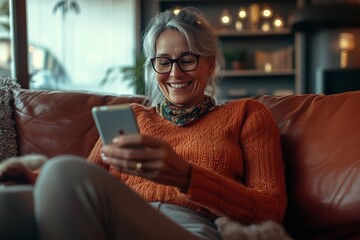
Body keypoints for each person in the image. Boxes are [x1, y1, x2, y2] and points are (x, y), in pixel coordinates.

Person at [0, 7, 287, 240]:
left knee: (61, 171)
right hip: (117, 222)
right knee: (9, 203)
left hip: (190, 227)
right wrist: (28, 176)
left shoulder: (247, 115)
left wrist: (186, 176)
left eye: (187, 59)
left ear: (209, 64)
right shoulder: (135, 117)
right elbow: (83, 178)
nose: (175, 72)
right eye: (163, 61)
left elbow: (271, 209)